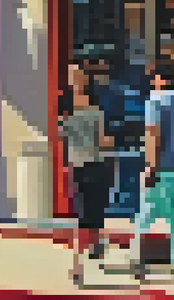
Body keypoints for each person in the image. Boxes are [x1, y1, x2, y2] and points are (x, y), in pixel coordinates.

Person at [58, 62, 113, 287]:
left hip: (97, 164)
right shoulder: (66, 106)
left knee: (95, 210)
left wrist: (107, 143)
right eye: (73, 75)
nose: (77, 80)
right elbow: (62, 138)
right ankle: (78, 265)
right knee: (82, 216)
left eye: (79, 75)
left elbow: (101, 140)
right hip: (80, 166)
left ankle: (97, 243)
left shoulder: (90, 105)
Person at [133, 59, 174, 281]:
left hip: (162, 169)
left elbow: (153, 135)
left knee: (145, 216)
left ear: (159, 79)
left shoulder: (155, 101)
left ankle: (138, 262)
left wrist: (149, 167)